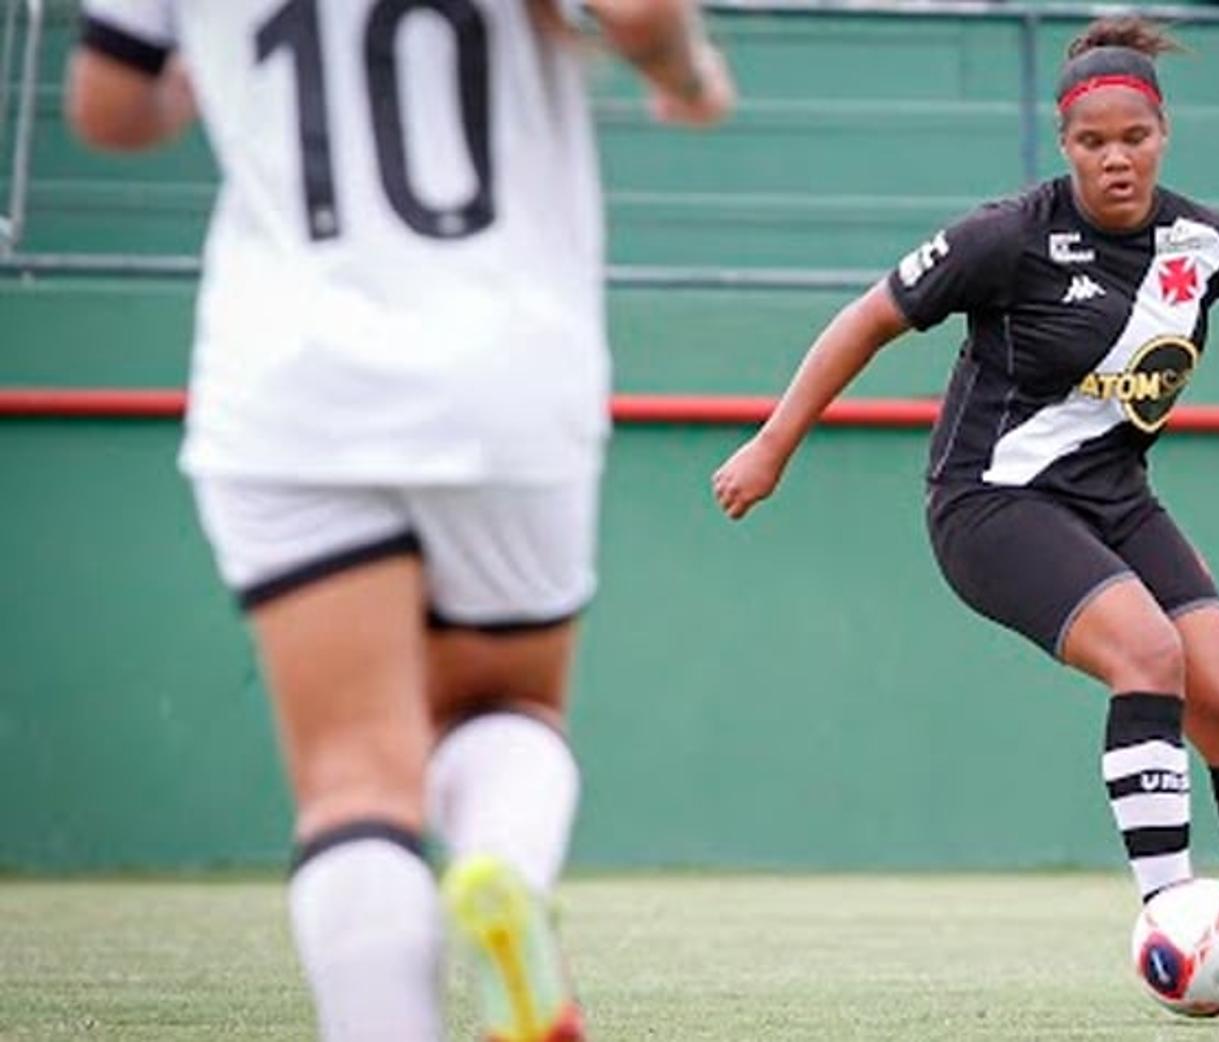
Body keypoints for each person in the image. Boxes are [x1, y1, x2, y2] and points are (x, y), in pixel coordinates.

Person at [712, 15, 1219, 1021]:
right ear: (1064, 144)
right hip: (990, 502)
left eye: (1132, 138)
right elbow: (868, 318)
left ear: (1163, 135)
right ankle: (1173, 922)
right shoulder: (1005, 236)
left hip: (1114, 497)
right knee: (1148, 654)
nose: (1114, 157)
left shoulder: (1207, 243)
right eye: (1092, 141)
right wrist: (772, 442)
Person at [65, 2, 733, 1039]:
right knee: (505, 705)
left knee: (350, 779)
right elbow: (641, 15)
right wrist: (688, 79)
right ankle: (500, 870)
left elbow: (106, 107)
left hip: (288, 373)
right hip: (507, 365)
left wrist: (209, 76)